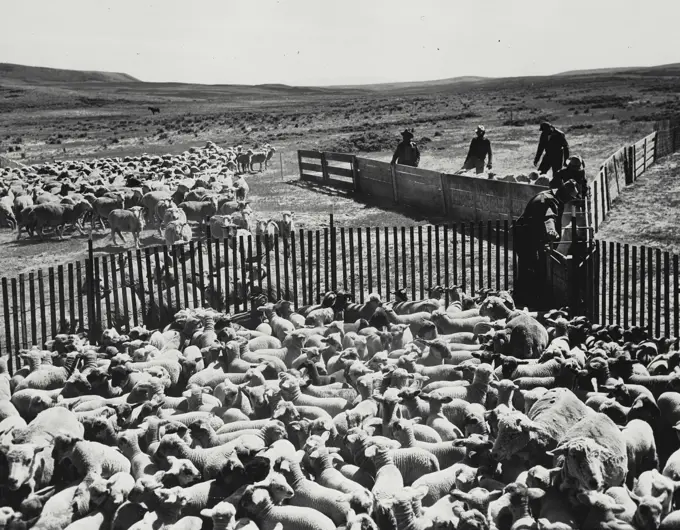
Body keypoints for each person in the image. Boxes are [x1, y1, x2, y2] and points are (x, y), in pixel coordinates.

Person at [513, 179, 581, 307]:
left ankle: (526, 298)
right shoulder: (547, 200)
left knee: (530, 267)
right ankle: (528, 301)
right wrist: (552, 231)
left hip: (529, 237)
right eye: (569, 198)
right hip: (527, 239)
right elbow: (548, 217)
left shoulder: (551, 195)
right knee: (531, 267)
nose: (569, 201)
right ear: (564, 194)